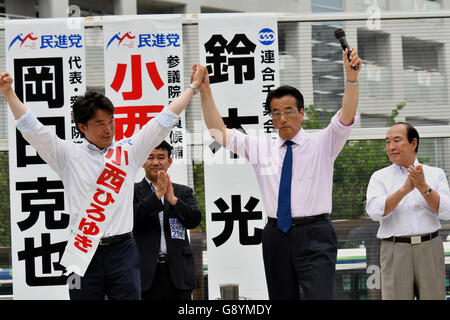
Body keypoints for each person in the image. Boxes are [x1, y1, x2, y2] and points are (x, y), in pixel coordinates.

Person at [0, 63, 205, 300]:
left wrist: (193, 87)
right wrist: (8, 92)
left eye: (111, 121)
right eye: (100, 124)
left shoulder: (128, 151)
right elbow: (32, 129)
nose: (109, 130)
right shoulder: (67, 155)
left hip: (124, 250)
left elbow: (164, 120)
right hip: (82, 249)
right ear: (82, 127)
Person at [198, 48, 362, 300]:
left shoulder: (323, 143)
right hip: (276, 234)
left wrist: (351, 79)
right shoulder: (260, 147)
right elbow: (217, 132)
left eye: (289, 111)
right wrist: (205, 91)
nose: (282, 118)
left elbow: (346, 115)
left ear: (302, 113)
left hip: (315, 233)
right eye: (276, 113)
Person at [366, 122, 450, 300]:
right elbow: (374, 211)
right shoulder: (379, 177)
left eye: (397, 140)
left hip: (430, 246)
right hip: (395, 248)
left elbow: (446, 211)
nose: (391, 147)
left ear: (413, 143)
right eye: (388, 142)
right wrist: (404, 190)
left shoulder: (435, 173)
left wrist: (424, 187)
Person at [133, 140, 201, 300]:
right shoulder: (132, 192)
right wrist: (156, 196)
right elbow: (131, 220)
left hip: (178, 273)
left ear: (169, 161)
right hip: (145, 273)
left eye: (161, 157)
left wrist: (173, 199)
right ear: (143, 161)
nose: (156, 162)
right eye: (150, 157)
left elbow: (194, 220)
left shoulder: (183, 192)